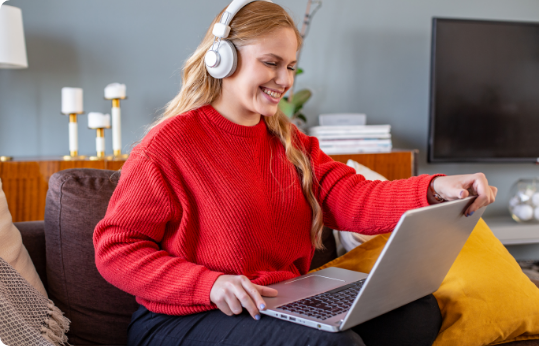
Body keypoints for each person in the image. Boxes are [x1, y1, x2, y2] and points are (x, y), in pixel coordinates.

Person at [93, 1, 498, 345]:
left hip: (275, 299)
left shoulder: (290, 142)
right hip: (181, 318)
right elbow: (116, 249)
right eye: (271, 63)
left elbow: (353, 197)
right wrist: (210, 284)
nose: (284, 80)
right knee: (327, 343)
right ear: (223, 58)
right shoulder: (167, 146)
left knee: (417, 313)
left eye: (290, 66)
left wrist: (435, 189)